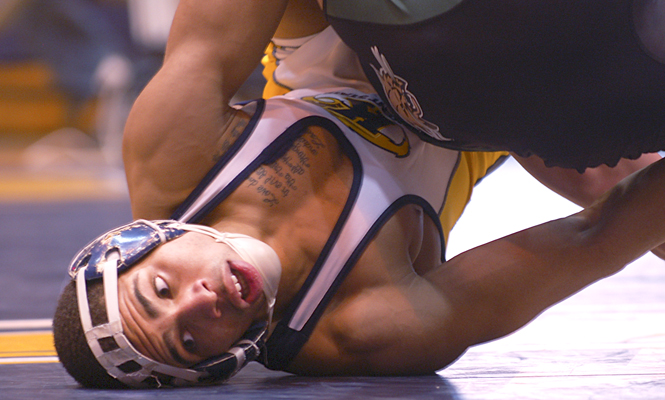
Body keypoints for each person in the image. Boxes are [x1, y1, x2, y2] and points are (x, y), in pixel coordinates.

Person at [52, 0, 665, 389]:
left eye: (161, 288)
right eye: (187, 342)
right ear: (213, 367)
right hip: (483, 120)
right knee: (625, 200)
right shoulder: (363, 330)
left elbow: (208, 41)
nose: (199, 303)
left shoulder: (171, 160)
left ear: (142, 240)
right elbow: (594, 238)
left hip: (337, 50)